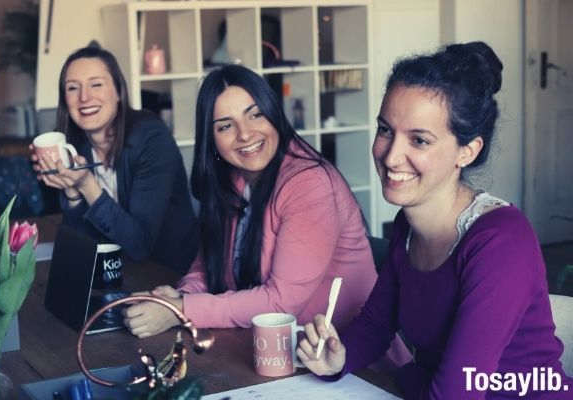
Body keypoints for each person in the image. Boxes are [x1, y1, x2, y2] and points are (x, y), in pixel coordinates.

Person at [297, 42, 573, 399]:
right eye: (385, 130)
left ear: (467, 151)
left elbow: (458, 392)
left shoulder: (502, 243)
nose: (392, 155)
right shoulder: (407, 226)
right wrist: (337, 360)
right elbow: (377, 324)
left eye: (419, 140)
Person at [122, 64, 410, 366]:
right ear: (212, 140)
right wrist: (177, 296)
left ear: (274, 114)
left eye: (255, 114)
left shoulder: (308, 182)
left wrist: (181, 309)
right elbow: (207, 266)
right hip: (282, 355)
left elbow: (281, 302)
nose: (245, 134)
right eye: (225, 125)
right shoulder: (232, 178)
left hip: (352, 361)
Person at [32, 46, 198, 272]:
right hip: (114, 271)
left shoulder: (152, 138)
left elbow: (139, 245)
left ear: (118, 91)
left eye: (96, 84)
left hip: (168, 275)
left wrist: (87, 185)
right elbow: (81, 244)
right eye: (73, 88)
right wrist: (72, 194)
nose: (84, 97)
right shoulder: (76, 147)